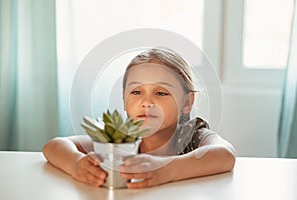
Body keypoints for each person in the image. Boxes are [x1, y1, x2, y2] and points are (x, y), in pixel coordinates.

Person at [43, 47, 236, 189]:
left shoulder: (191, 134)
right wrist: (77, 164)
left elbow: (225, 155)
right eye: (136, 92)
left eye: (161, 93)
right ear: (124, 100)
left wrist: (165, 170)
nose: (146, 102)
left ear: (187, 102)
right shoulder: (121, 135)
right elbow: (54, 146)